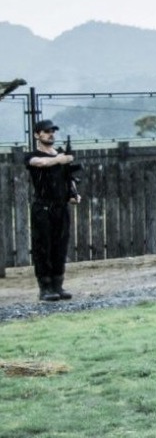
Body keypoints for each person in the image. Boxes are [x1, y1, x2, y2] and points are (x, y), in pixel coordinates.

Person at [26, 119, 81, 302]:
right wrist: (60, 159)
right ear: (37, 135)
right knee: (43, 247)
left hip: (61, 207)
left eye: (52, 131)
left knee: (60, 247)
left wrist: (74, 194)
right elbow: (41, 163)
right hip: (43, 208)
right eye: (46, 131)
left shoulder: (61, 156)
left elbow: (68, 178)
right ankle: (45, 287)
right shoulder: (32, 156)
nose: (51, 134)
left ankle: (58, 285)